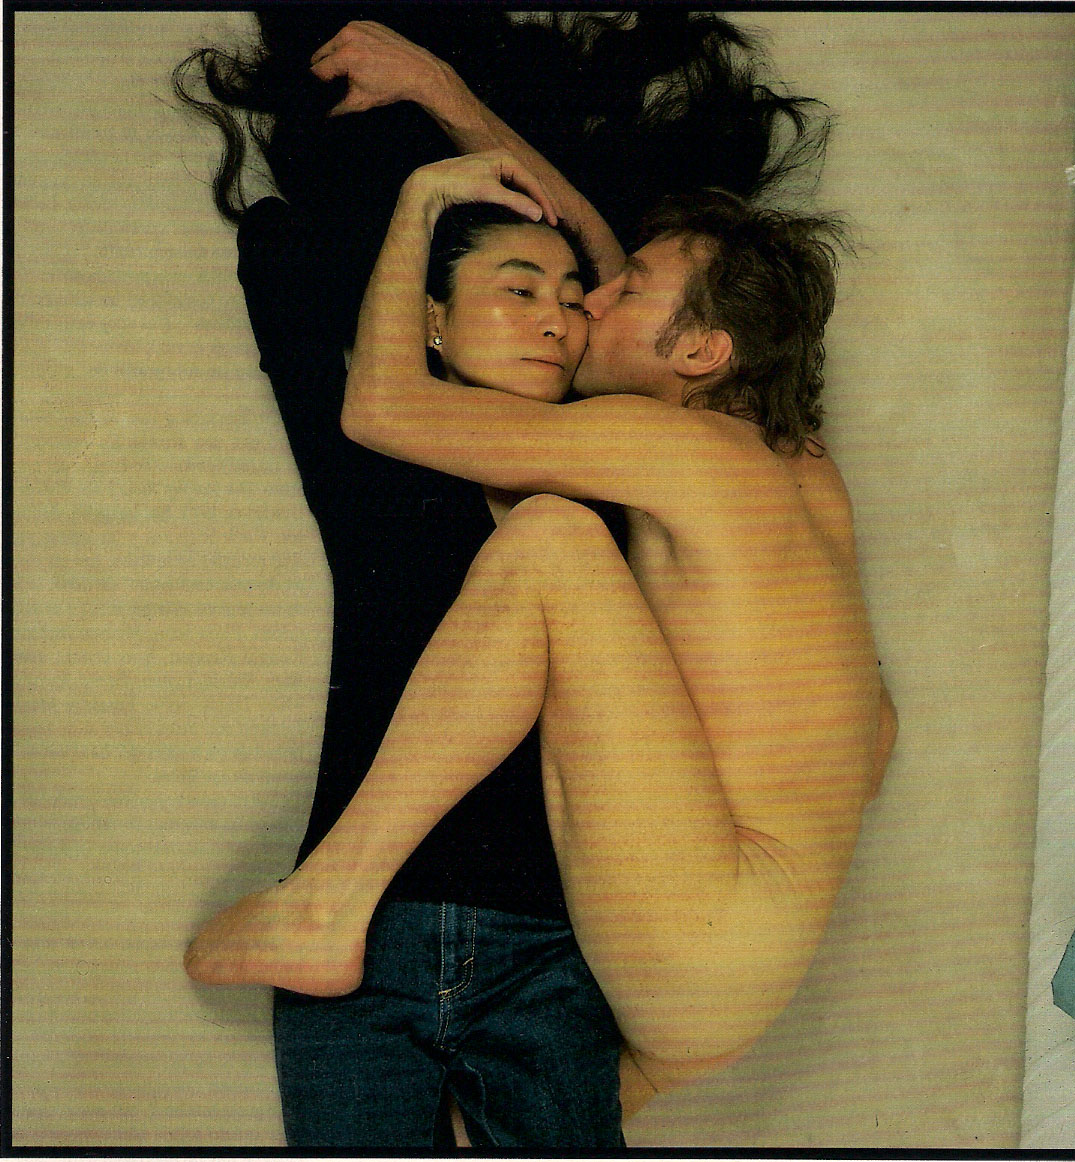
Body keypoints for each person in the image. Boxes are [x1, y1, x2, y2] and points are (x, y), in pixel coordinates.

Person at [175, 11, 831, 1148]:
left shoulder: (642, 466)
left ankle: (325, 901)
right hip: (495, 957)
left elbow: (554, 301)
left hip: (610, 949)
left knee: (550, 541)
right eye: (527, 292)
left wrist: (440, 141)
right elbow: (302, 279)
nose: (575, 311)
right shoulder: (788, 470)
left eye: (593, 300)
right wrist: (430, 143)